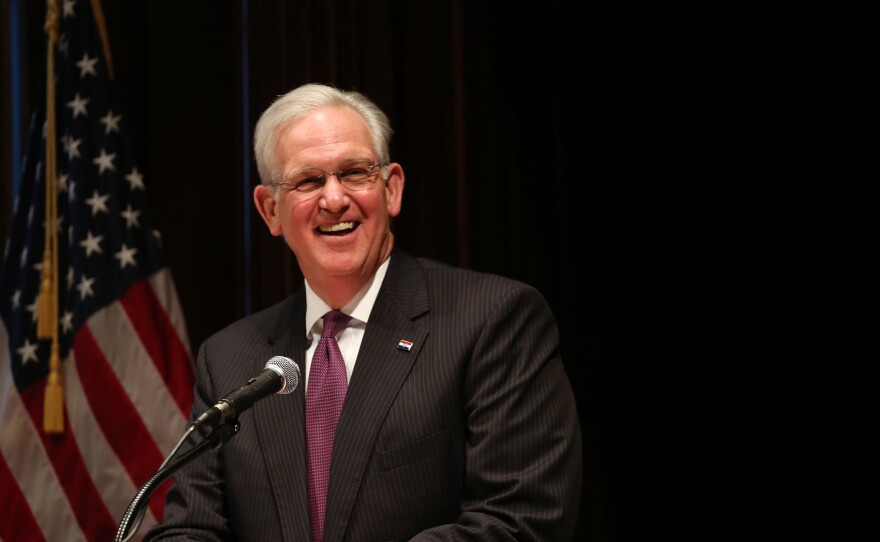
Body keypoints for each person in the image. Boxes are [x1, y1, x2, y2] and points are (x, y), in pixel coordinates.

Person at [144, 83, 582, 541]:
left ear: (392, 189)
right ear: (270, 210)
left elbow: (519, 522)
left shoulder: (493, 320)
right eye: (309, 181)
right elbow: (192, 528)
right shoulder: (230, 357)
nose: (334, 200)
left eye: (355, 173)